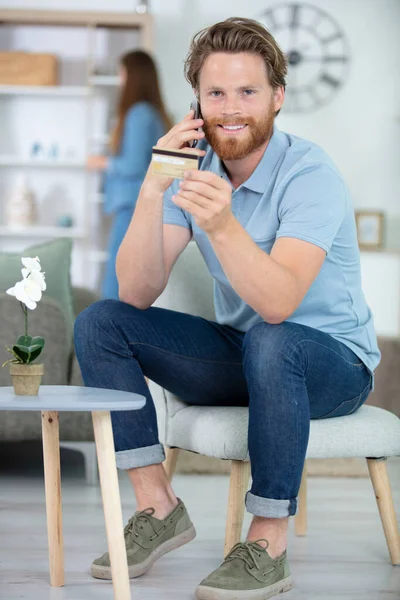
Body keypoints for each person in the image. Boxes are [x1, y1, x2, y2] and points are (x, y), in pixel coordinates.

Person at [75, 17, 380, 600]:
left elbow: (279, 302)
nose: (231, 107)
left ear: (277, 97)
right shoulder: (194, 170)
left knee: (275, 336)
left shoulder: (310, 174)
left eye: (248, 91)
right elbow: (136, 292)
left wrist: (222, 223)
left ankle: (267, 541)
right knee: (102, 322)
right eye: (216, 92)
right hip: (249, 353)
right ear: (197, 100)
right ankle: (157, 506)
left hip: (334, 364)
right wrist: (152, 187)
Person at [86, 50, 171, 299]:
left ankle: (103, 329)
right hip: (139, 203)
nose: (120, 79)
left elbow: (134, 165)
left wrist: (104, 162)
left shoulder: (139, 114)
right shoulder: (152, 114)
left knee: (117, 273)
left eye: (122, 72)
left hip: (132, 204)